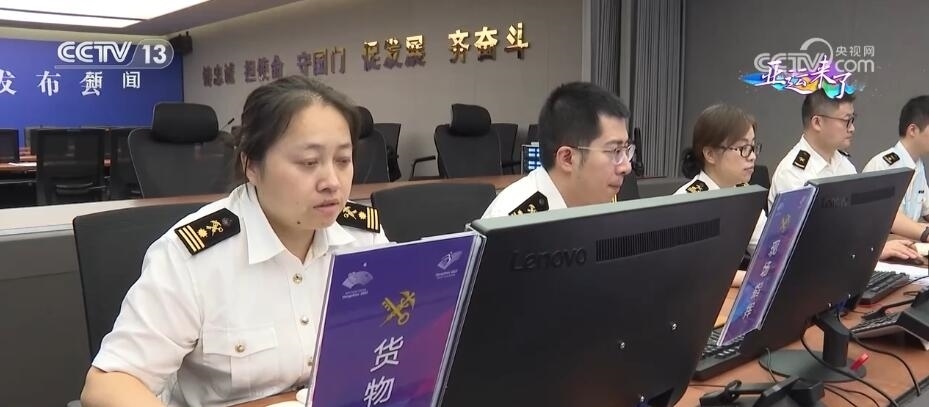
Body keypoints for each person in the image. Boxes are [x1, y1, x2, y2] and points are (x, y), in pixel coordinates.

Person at [80, 76, 389, 407]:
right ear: (251, 165)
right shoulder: (194, 256)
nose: (332, 182)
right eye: (309, 163)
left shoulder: (364, 236)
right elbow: (108, 385)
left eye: (343, 160)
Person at [768, 89, 918, 261]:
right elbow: (801, 245)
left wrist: (876, 246)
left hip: (845, 261)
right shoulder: (793, 173)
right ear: (817, 122)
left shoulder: (843, 163)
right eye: (846, 121)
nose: (852, 128)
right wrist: (870, 251)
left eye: (853, 120)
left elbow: (857, 221)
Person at [482, 81, 633, 218]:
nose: (627, 167)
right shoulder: (511, 222)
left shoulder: (603, 203)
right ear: (567, 158)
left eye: (626, 149)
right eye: (615, 151)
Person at [676, 104, 765, 254]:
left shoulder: (745, 195)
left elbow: (769, 247)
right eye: (743, 148)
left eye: (753, 147)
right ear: (710, 154)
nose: (752, 156)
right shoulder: (686, 204)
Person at [863, 95, 929, 243]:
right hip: (883, 248)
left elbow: (926, 209)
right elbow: (881, 219)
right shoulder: (883, 165)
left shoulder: (918, 165)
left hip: (909, 245)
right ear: (913, 130)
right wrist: (924, 233)